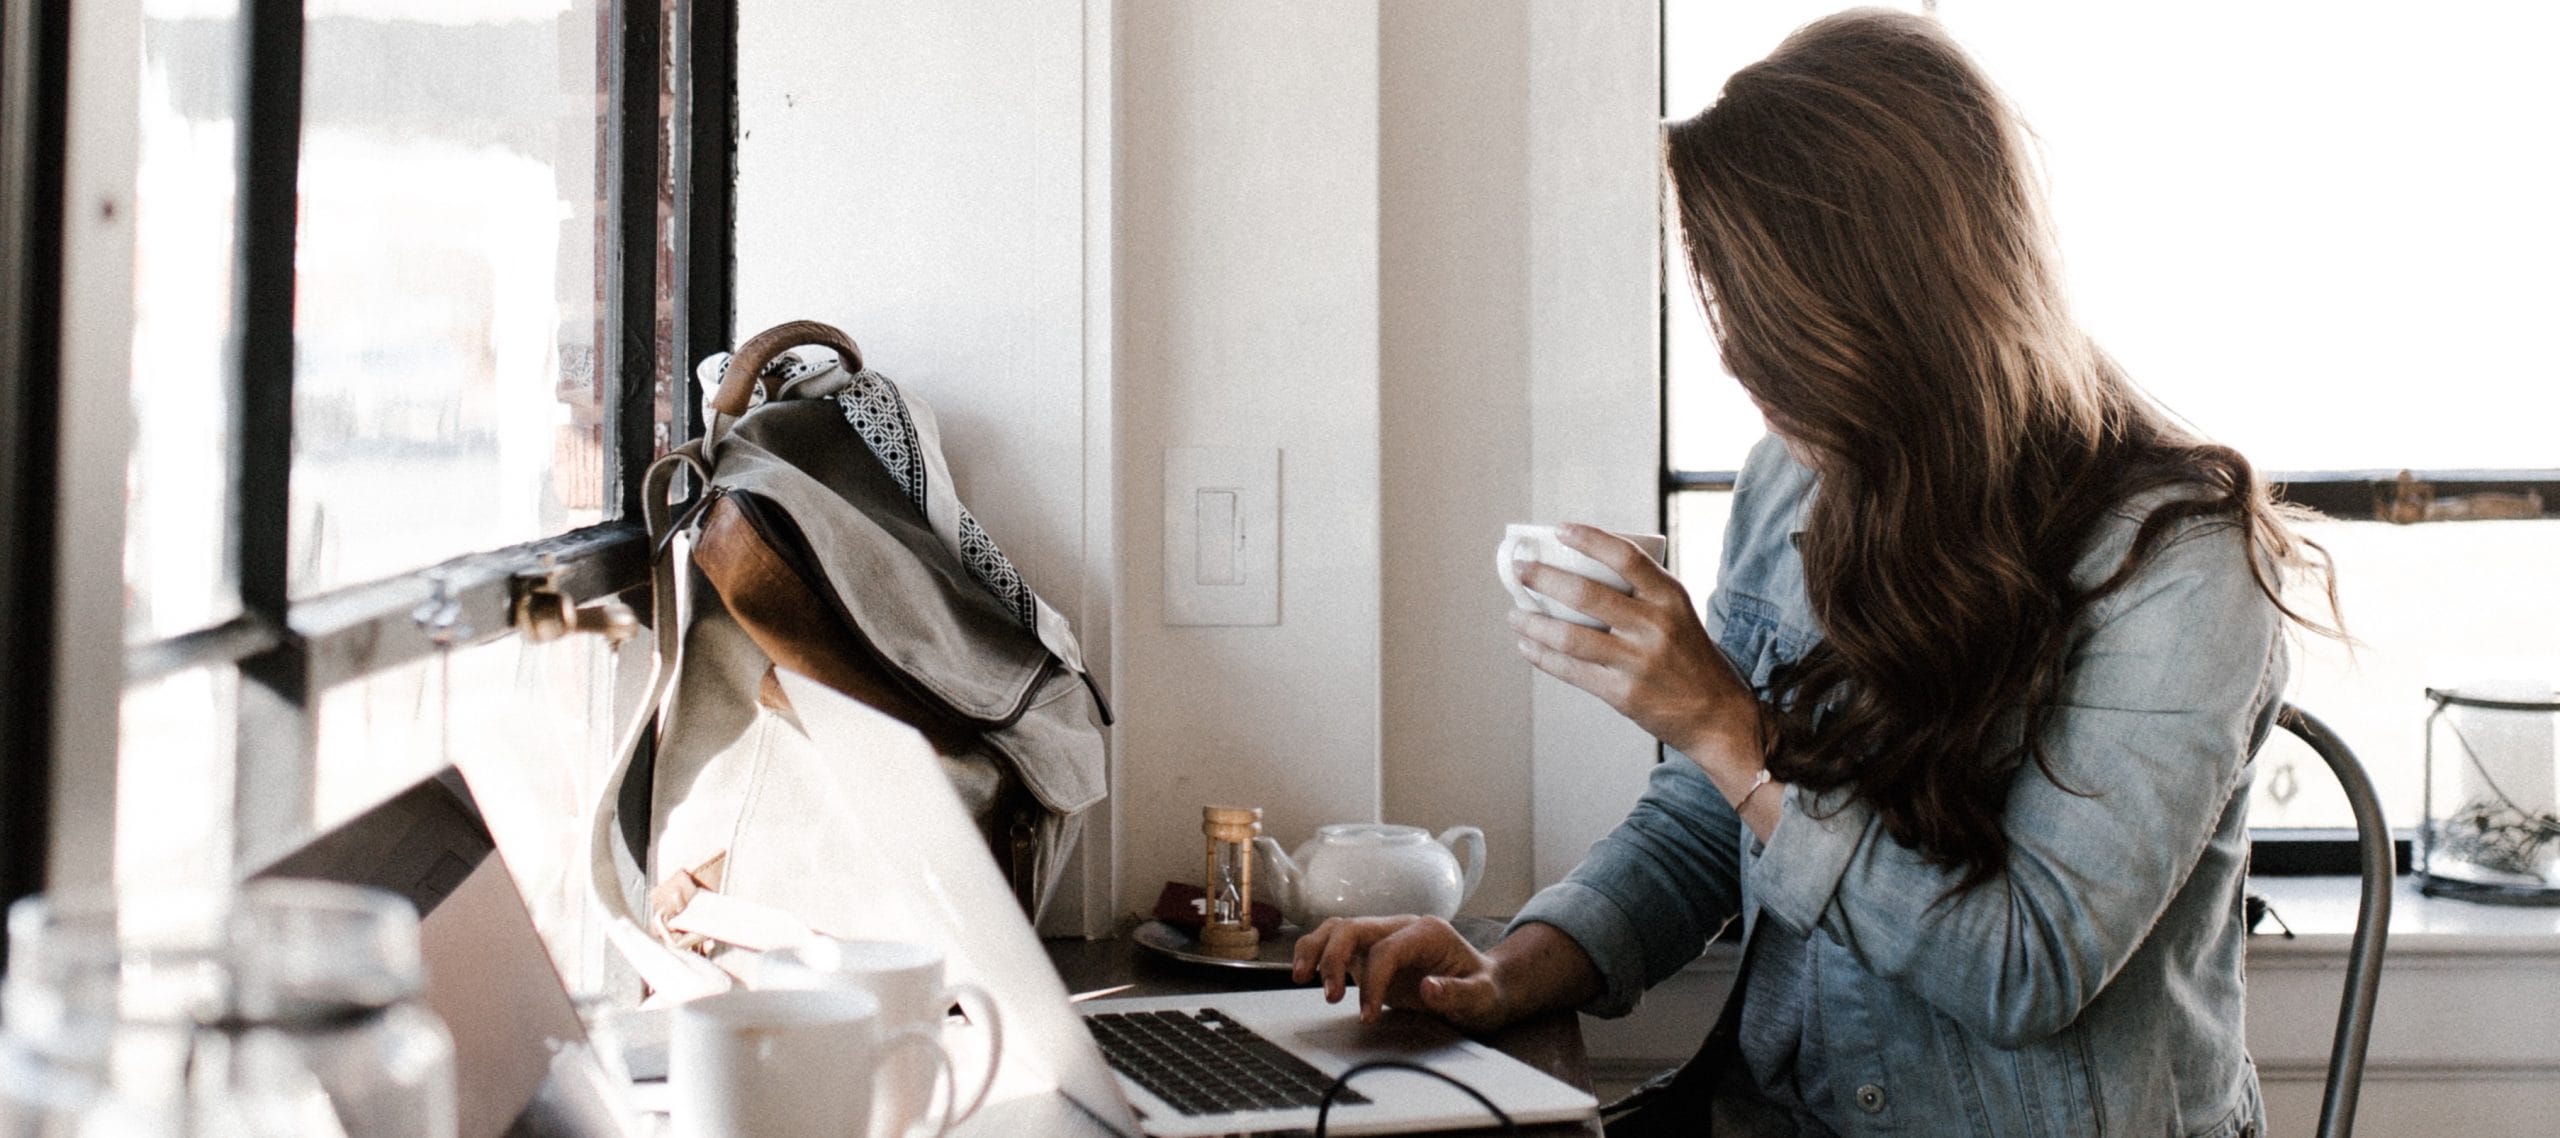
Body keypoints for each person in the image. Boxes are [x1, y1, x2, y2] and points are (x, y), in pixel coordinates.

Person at [1294, 8, 2336, 1136]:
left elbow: (2023, 969)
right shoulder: (1796, 481)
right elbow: (1709, 819)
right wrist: (1512, 968)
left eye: (1774, 335)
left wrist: (1729, 727)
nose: (1748, 371)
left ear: (1899, 311)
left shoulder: (2178, 565)